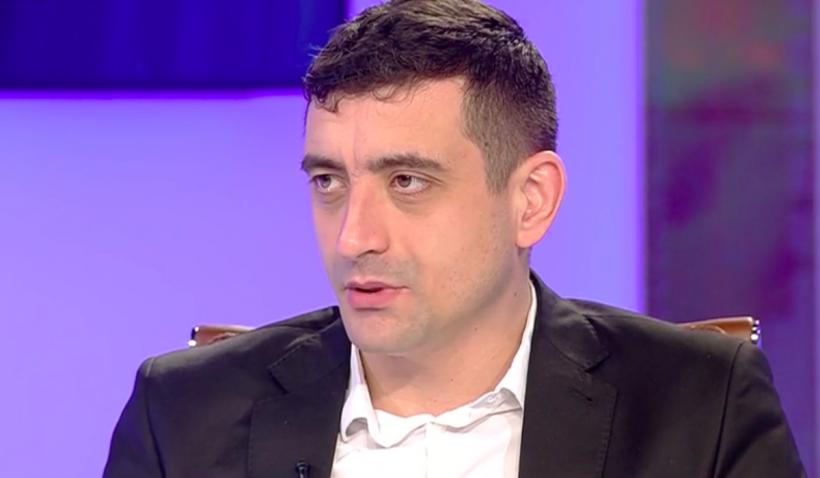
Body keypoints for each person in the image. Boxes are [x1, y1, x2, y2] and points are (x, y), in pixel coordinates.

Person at [103, 1, 805, 476]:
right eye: (329, 181)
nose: (353, 236)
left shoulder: (699, 409)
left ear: (531, 201)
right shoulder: (184, 414)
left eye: (407, 181)